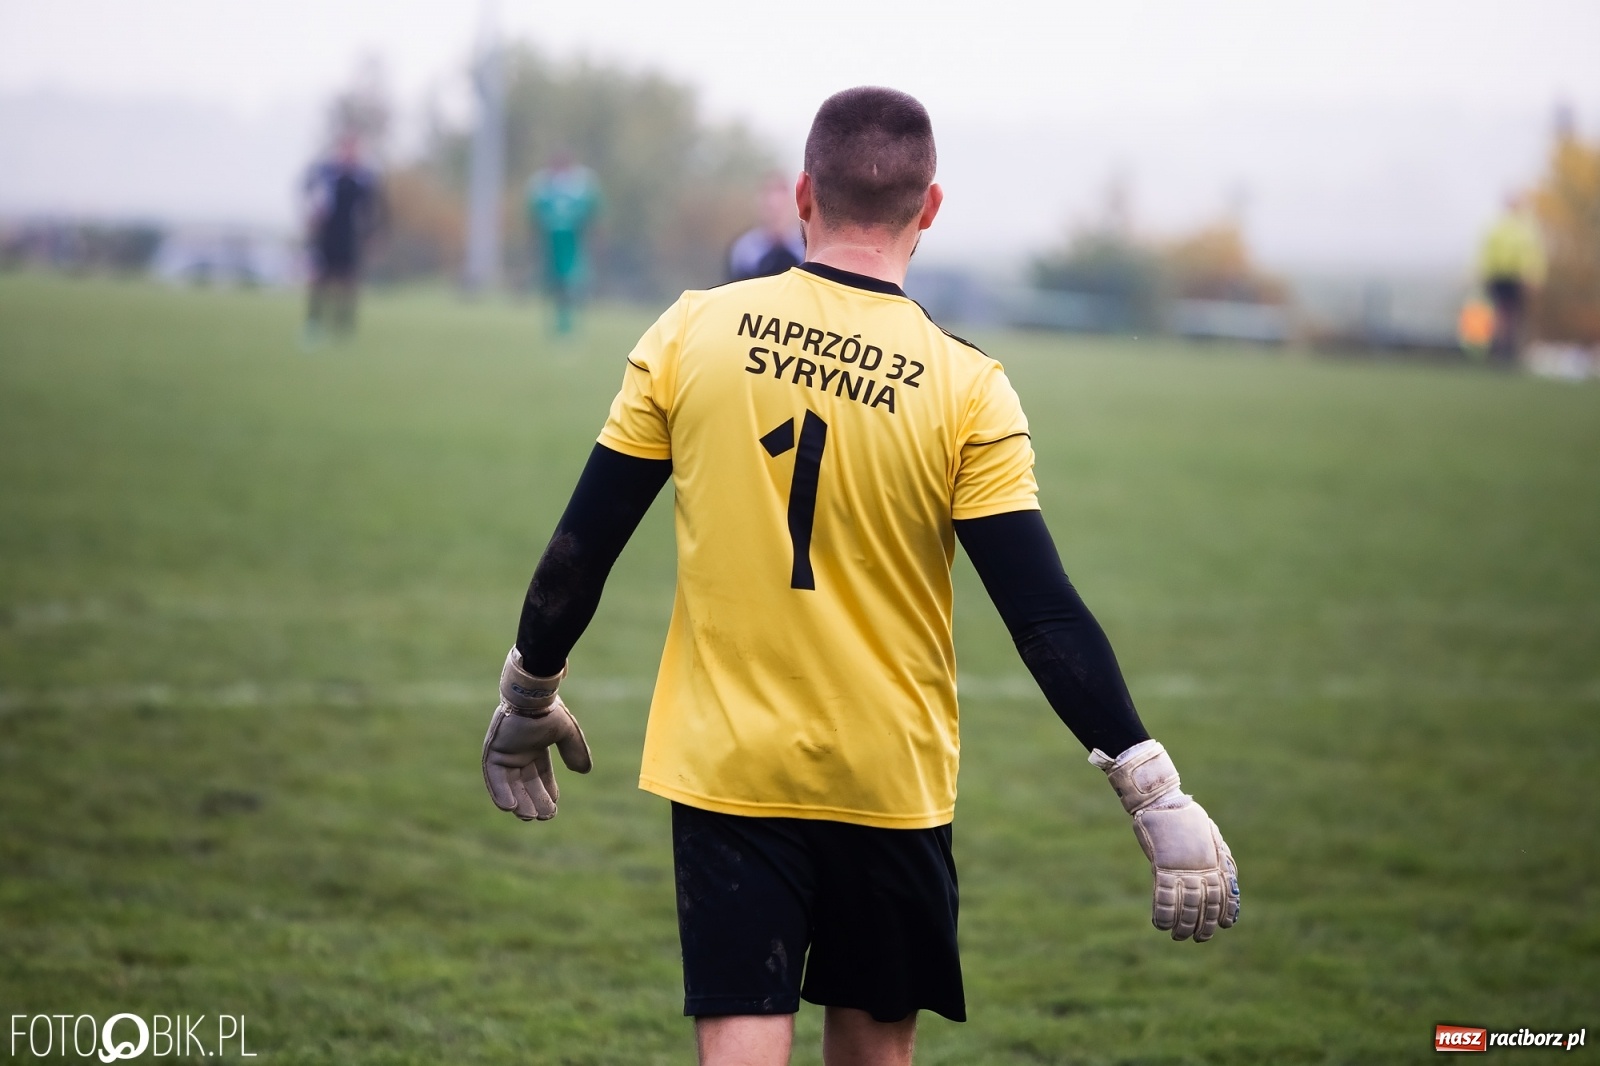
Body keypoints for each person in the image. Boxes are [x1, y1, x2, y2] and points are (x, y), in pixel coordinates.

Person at [481, 87, 1240, 1066]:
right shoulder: (968, 386)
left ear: (804, 193)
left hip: (729, 770)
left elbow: (578, 549)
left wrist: (527, 690)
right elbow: (1041, 609)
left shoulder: (690, 331)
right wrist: (1150, 787)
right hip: (889, 779)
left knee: (740, 1047)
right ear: (928, 209)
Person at [301, 133, 384, 344]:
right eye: (346, 149)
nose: (349, 153)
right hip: (326, 235)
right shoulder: (326, 174)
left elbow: (374, 207)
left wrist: (372, 233)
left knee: (349, 282)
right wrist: (311, 214)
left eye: (353, 149)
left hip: (350, 236)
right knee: (320, 278)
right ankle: (314, 324)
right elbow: (307, 191)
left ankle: (343, 327)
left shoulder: (363, 178)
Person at [527, 152, 601, 335]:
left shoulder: (581, 185)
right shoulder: (543, 185)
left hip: (573, 243)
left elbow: (593, 210)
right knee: (556, 285)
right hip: (552, 244)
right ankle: (559, 325)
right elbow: (534, 212)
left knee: (574, 282)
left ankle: (569, 325)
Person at [1478, 193, 1547, 365]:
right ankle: (1497, 350)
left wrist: (1534, 278)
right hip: (1499, 275)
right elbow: (1487, 252)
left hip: (1518, 278)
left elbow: (1534, 255)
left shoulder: (1526, 227)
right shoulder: (1499, 226)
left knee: (1513, 316)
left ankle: (1509, 351)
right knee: (1501, 314)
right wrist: (1485, 274)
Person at [728, 172, 807, 281]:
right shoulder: (745, 252)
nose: (775, 216)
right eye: (770, 208)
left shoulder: (806, 248)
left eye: (781, 209)